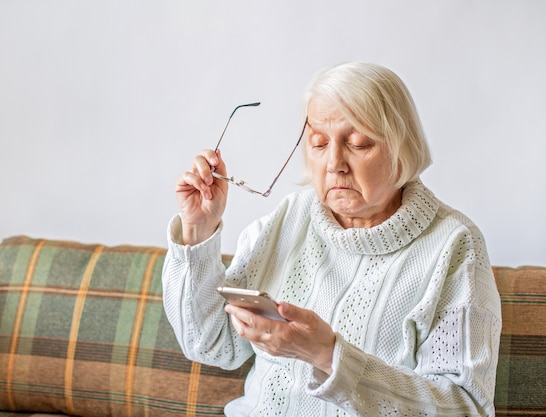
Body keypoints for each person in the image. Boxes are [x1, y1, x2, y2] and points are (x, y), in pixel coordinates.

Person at [162, 61, 502, 416]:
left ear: (403, 148)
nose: (334, 163)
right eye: (319, 143)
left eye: (358, 143)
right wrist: (198, 230)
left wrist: (328, 355)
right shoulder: (289, 218)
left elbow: (466, 408)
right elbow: (210, 345)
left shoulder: (454, 244)